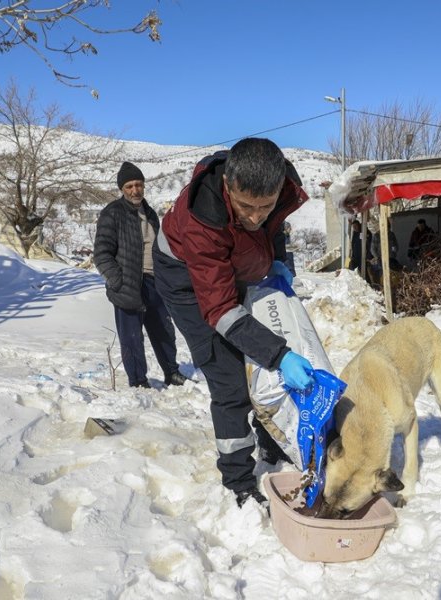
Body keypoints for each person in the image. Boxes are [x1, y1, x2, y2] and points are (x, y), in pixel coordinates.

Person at [152, 138, 314, 510]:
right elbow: (221, 310)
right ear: (227, 186)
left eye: (265, 206)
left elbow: (271, 227)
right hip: (186, 281)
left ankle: (271, 441)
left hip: (235, 265)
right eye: (246, 207)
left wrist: (277, 261)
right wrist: (280, 355)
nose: (256, 216)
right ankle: (239, 478)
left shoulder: (279, 190)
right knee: (228, 379)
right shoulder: (202, 221)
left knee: (261, 360)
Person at [93, 161, 188, 389]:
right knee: (132, 337)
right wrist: (117, 281)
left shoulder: (151, 213)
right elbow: (101, 253)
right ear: (122, 189)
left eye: (138, 184)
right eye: (129, 186)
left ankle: (171, 372)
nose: (135, 190)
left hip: (155, 283)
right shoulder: (113, 213)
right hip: (127, 286)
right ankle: (138, 381)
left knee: (164, 331)